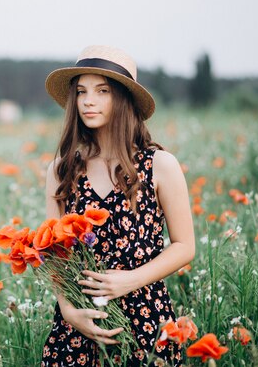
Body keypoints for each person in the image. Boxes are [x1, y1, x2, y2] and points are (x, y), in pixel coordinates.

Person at [41, 46, 195, 366]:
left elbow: (184, 246)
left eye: (102, 91)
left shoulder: (159, 165)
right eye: (81, 91)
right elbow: (54, 254)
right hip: (80, 322)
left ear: (123, 99)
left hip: (144, 317)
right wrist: (70, 313)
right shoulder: (62, 169)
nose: (88, 101)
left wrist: (131, 279)